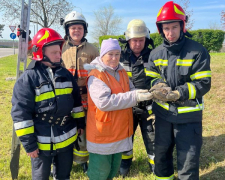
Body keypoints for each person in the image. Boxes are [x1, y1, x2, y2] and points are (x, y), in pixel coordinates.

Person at [145, 1, 211, 180]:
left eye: (174, 27)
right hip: (163, 116)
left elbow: (203, 82)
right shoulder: (155, 53)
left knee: (188, 160)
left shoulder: (197, 51)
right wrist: (158, 84)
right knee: (161, 156)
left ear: (182, 26)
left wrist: (178, 93)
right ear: (160, 29)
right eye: (166, 28)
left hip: (188, 117)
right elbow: (151, 76)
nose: (170, 32)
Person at [11, 28, 85, 180]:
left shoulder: (66, 75)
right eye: (54, 53)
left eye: (59, 52)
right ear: (41, 52)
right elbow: (21, 114)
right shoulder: (28, 79)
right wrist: (30, 145)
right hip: (41, 142)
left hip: (66, 137)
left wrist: (80, 123)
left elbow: (76, 102)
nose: (59, 55)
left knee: (64, 175)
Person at [85, 38, 153, 180]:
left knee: (112, 171)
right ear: (102, 55)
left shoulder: (121, 71)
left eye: (117, 54)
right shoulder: (96, 75)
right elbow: (104, 102)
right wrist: (135, 97)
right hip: (102, 134)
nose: (114, 58)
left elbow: (131, 89)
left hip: (117, 132)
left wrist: (146, 93)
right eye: (110, 54)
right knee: (100, 172)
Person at [61, 11, 99, 173]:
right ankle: (64, 160)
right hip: (66, 99)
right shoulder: (60, 48)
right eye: (73, 28)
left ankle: (82, 160)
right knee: (65, 129)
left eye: (79, 28)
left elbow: (98, 74)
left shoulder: (92, 50)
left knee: (83, 129)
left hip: (86, 99)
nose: (76, 31)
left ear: (85, 30)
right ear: (67, 30)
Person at [119, 19, 155, 176]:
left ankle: (155, 164)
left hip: (149, 106)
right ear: (128, 39)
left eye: (141, 40)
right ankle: (125, 163)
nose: (138, 44)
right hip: (128, 106)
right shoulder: (119, 57)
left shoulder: (154, 56)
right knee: (125, 137)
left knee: (152, 138)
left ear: (146, 40)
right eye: (134, 40)